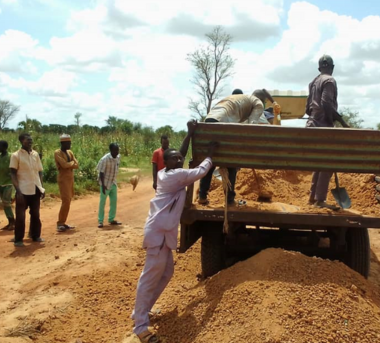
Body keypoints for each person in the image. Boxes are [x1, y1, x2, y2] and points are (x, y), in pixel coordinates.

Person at [132, 120, 217, 343]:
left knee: (167, 272)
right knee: (149, 277)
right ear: (166, 162)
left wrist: (189, 135)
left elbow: (178, 153)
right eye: (174, 158)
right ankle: (140, 325)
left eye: (179, 158)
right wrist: (210, 154)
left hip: (162, 232)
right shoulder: (173, 177)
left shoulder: (165, 172)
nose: (179, 159)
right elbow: (200, 171)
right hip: (159, 233)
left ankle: (143, 311)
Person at [198, 89, 275, 205]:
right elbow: (251, 127)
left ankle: (202, 196)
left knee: (211, 159)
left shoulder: (240, 99)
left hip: (210, 120)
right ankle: (229, 200)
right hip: (224, 123)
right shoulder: (258, 104)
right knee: (232, 163)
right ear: (263, 101)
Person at [305, 54, 350, 209]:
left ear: (319, 68)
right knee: (328, 162)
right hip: (322, 127)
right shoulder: (330, 80)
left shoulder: (313, 82)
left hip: (311, 126)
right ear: (332, 67)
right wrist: (341, 122)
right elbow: (326, 103)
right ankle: (319, 200)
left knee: (320, 162)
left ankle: (313, 197)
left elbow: (307, 108)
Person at [10, 133, 45, 247]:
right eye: (27, 140)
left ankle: (36, 235)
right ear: (21, 141)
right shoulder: (16, 155)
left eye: (31, 140)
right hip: (23, 190)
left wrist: (41, 187)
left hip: (35, 188)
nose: (30, 142)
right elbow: (13, 173)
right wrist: (18, 190)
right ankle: (18, 239)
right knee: (20, 216)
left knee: (35, 214)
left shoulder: (35, 155)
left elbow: (40, 171)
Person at [54, 134, 79, 232]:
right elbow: (64, 165)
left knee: (68, 200)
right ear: (62, 143)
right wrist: (72, 164)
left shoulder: (70, 152)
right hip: (63, 179)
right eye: (68, 143)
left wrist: (70, 164)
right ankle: (60, 223)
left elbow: (77, 165)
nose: (70, 144)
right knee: (66, 201)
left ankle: (63, 222)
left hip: (70, 178)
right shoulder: (57, 152)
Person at [97, 143, 122, 228]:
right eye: (115, 150)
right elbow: (101, 172)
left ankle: (111, 219)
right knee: (102, 202)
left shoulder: (118, 157)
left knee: (114, 201)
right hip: (105, 183)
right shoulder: (105, 159)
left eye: (118, 150)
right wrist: (103, 185)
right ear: (111, 150)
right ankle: (100, 221)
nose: (117, 152)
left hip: (113, 182)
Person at [0, 141, 15, 231]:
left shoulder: (11, 156)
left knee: (6, 202)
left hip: (8, 183)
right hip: (0, 183)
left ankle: (12, 222)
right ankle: (10, 222)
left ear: (4, 147)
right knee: (4, 203)